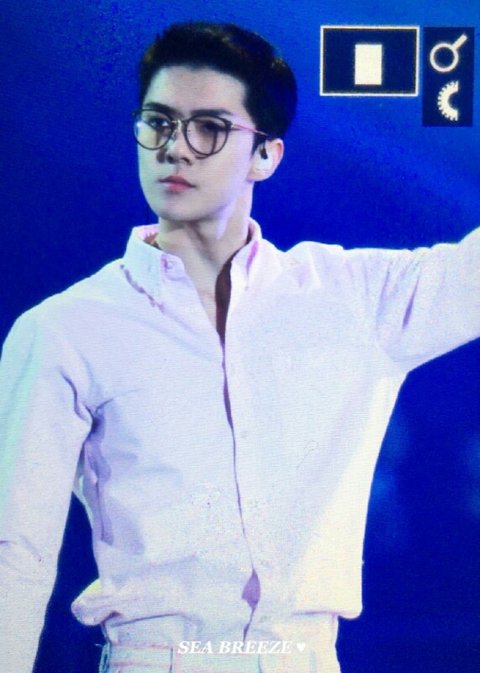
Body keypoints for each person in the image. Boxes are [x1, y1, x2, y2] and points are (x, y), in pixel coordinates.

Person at [0, 20, 479, 673]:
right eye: (158, 123)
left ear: (266, 156)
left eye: (209, 128)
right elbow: (15, 549)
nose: (175, 148)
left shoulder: (351, 297)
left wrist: (449, 66)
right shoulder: (67, 329)